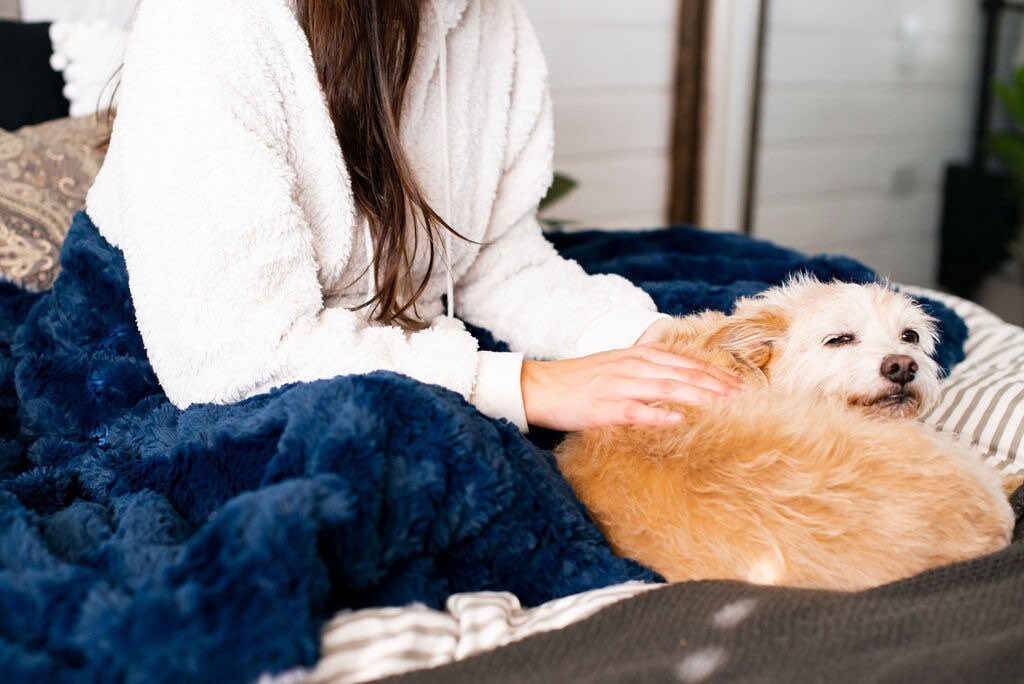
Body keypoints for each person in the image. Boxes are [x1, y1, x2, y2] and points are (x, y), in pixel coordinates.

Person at [85, 0, 742, 433]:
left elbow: (494, 261)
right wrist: (530, 386)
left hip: (376, 338)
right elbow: (234, 359)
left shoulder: (487, 20)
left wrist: (644, 342)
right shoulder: (207, 20)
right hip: (160, 364)